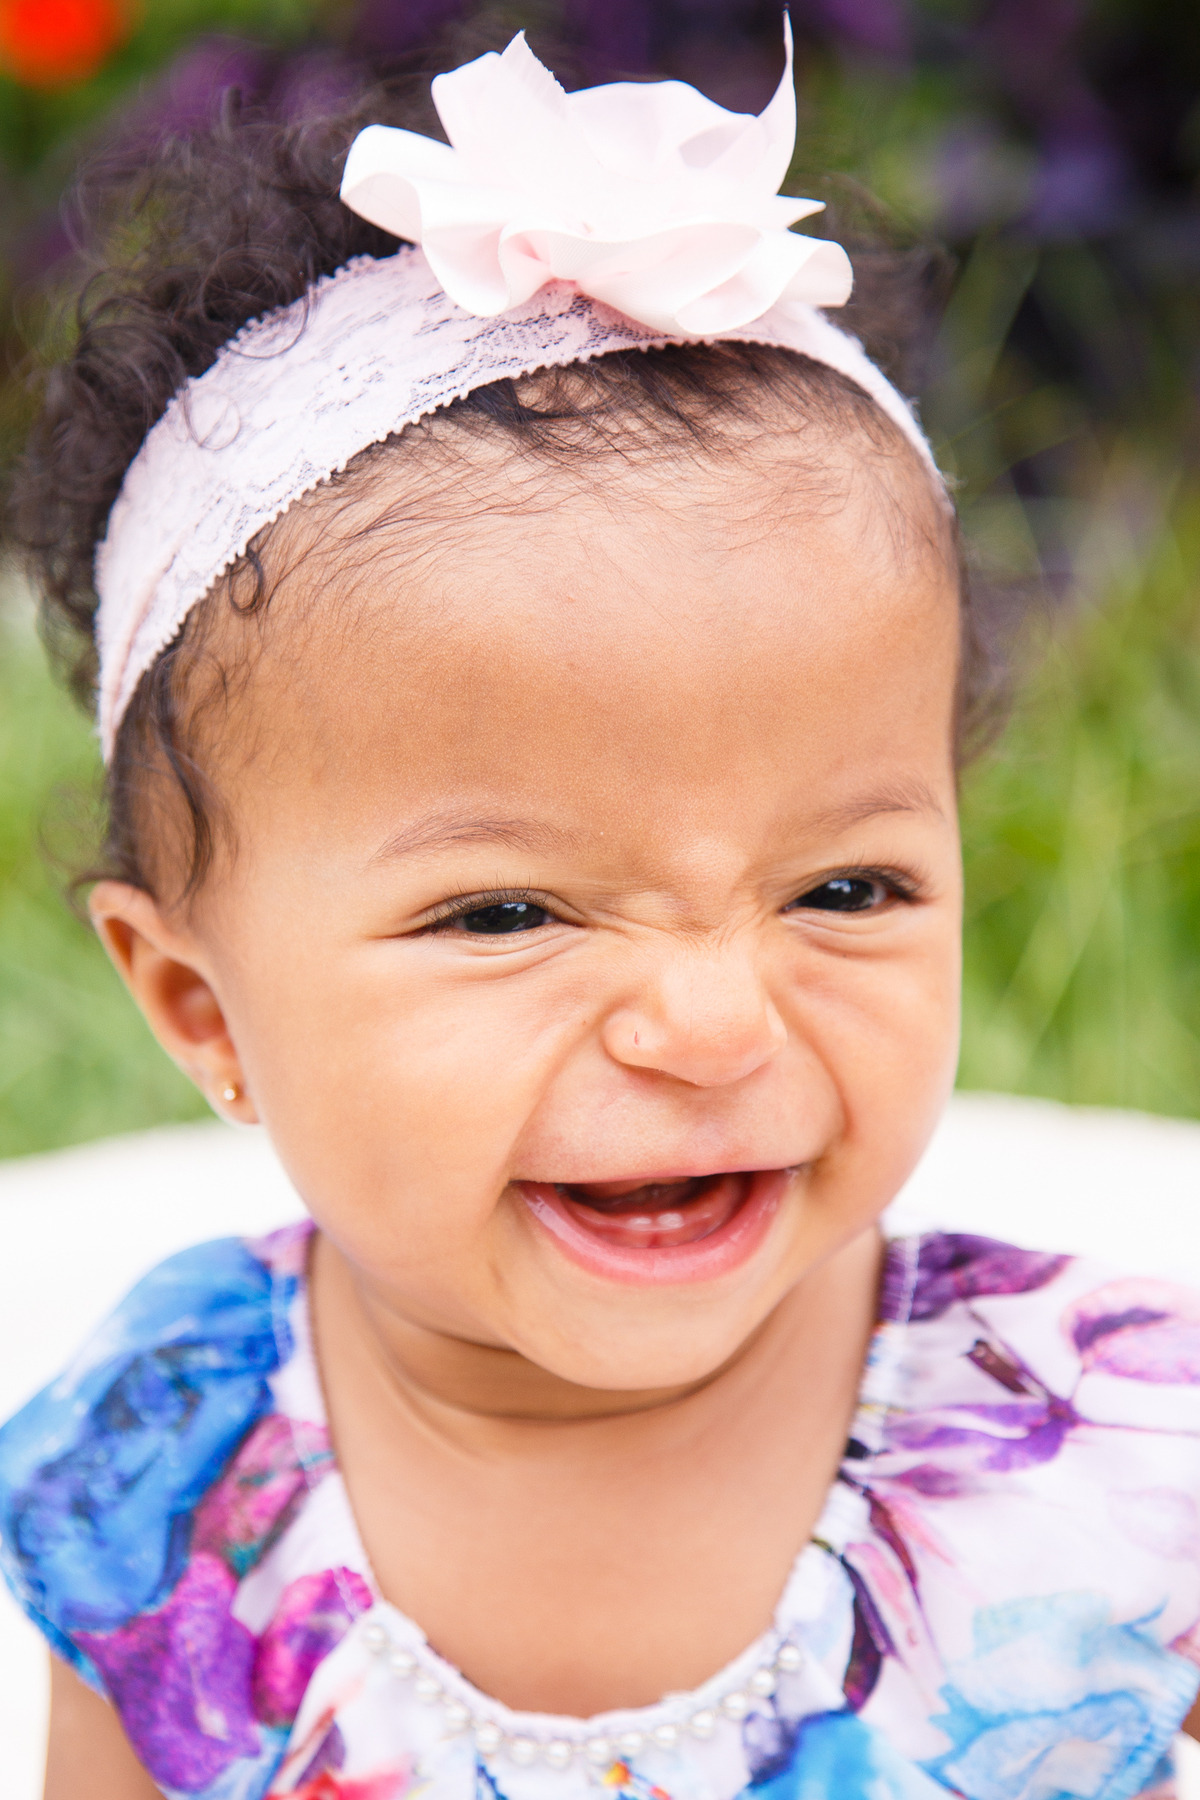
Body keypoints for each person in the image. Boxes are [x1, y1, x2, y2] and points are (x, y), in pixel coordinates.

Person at [1, 26, 1198, 1800]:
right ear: (196, 1008)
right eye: (503, 914)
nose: (715, 1026)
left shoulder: (1108, 1453)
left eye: (846, 887)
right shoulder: (167, 1467)